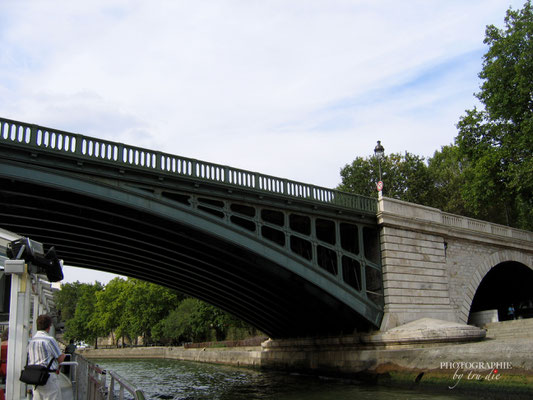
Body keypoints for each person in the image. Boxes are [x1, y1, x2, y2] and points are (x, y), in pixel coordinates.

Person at [27, 315, 66, 400]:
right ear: (49, 326)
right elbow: (60, 359)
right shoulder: (49, 340)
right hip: (48, 377)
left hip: (35, 377)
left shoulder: (32, 341)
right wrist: (63, 355)